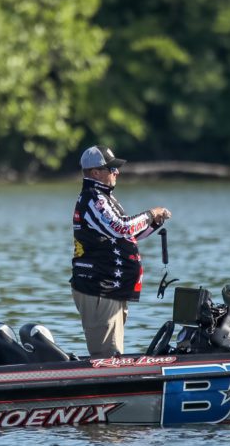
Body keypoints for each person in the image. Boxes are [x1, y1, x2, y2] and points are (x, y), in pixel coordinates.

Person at [70, 145, 171, 357]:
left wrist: (153, 224)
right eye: (111, 168)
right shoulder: (94, 199)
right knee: (107, 358)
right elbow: (122, 227)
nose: (117, 172)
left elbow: (127, 235)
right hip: (99, 288)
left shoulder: (104, 198)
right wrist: (150, 214)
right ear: (96, 173)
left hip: (111, 289)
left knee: (113, 355)